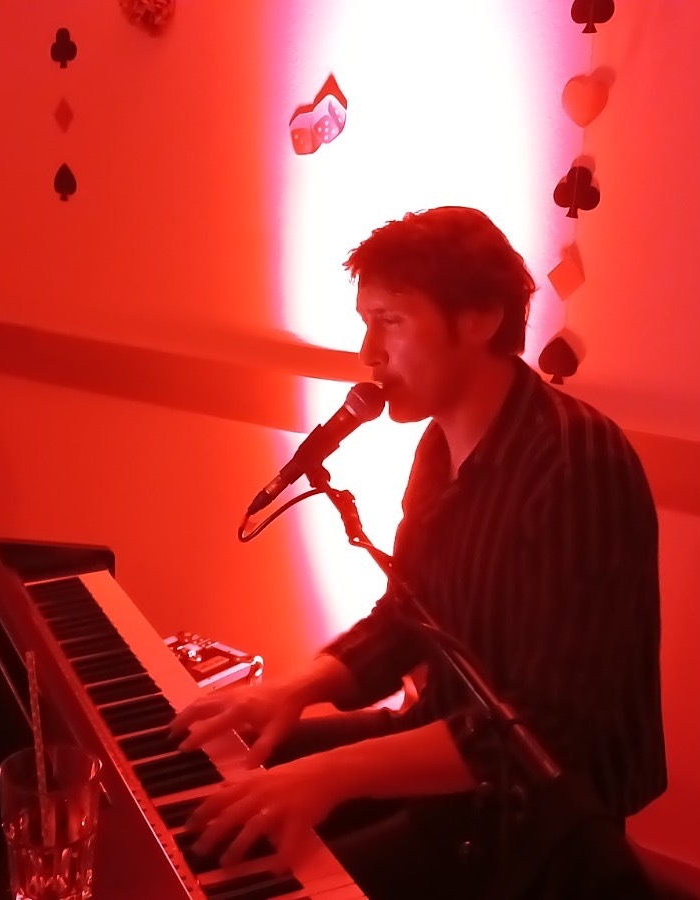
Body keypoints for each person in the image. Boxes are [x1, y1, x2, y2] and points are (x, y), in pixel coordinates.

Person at [170, 207, 666, 897]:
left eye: (391, 321)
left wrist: (329, 777)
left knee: (259, 859)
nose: (368, 352)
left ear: (480, 319)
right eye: (366, 322)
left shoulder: (575, 463)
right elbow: (409, 615)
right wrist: (294, 689)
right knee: (213, 790)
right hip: (449, 752)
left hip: (537, 813)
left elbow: (548, 728)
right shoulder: (438, 447)